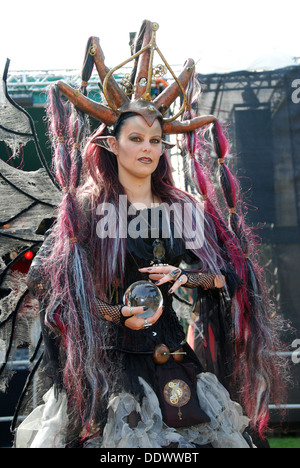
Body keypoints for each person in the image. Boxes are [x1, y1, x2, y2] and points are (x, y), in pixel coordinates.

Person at [12, 20, 287, 448]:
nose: (148, 148)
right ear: (111, 144)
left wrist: (184, 279)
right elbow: (49, 282)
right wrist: (114, 314)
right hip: (109, 368)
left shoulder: (182, 208)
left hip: (174, 360)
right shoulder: (86, 209)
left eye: (156, 140)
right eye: (136, 137)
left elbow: (229, 279)